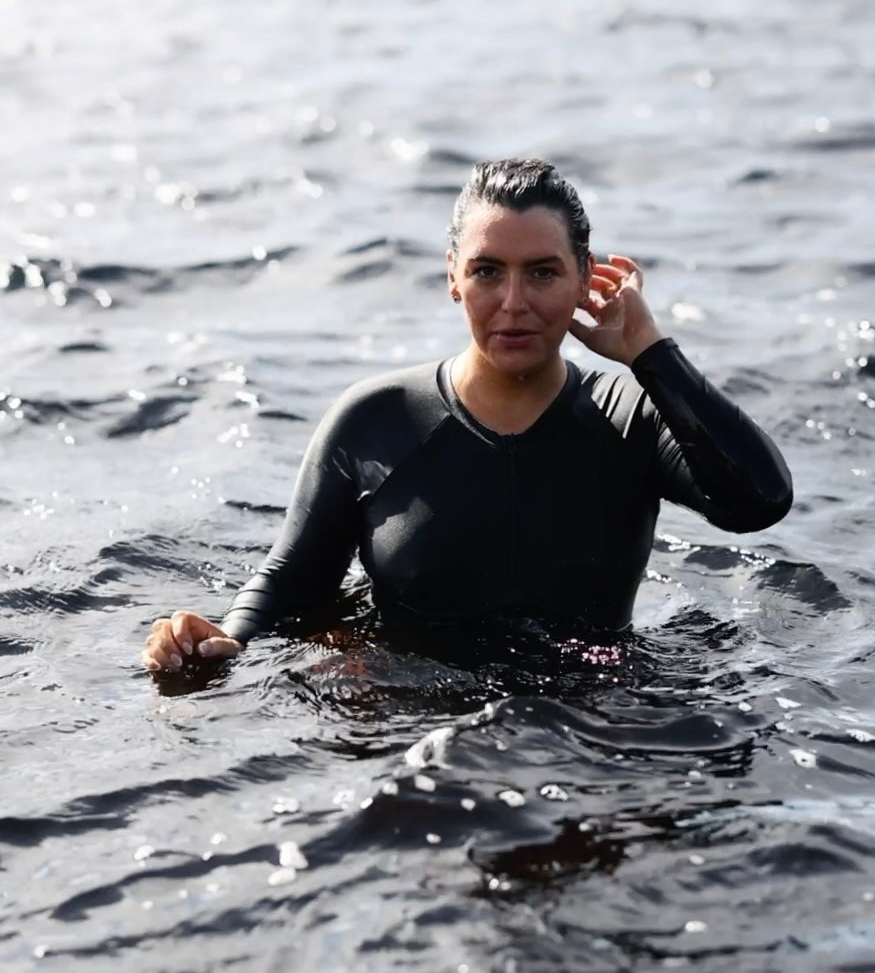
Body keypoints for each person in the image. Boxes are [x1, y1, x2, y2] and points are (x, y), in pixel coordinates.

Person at [142, 158, 793, 673]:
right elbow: (290, 583)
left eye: (542, 272)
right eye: (487, 271)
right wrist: (220, 641)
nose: (513, 301)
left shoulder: (629, 416)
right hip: (416, 724)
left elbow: (757, 501)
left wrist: (650, 353)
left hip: (596, 724)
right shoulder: (374, 419)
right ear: (452, 276)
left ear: (585, 279)